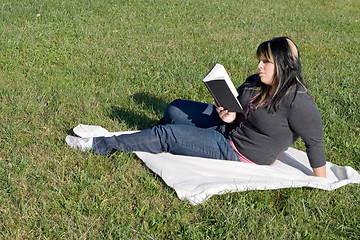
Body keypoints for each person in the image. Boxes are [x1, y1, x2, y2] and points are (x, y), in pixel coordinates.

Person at [66, 37, 327, 178]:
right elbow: (236, 105)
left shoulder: (299, 102)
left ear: (283, 65)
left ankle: (100, 145)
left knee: (167, 135)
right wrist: (228, 114)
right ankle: (153, 140)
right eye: (259, 60)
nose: (259, 66)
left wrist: (322, 182)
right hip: (226, 127)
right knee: (174, 109)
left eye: (265, 62)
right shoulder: (257, 82)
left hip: (237, 150)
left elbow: (315, 143)